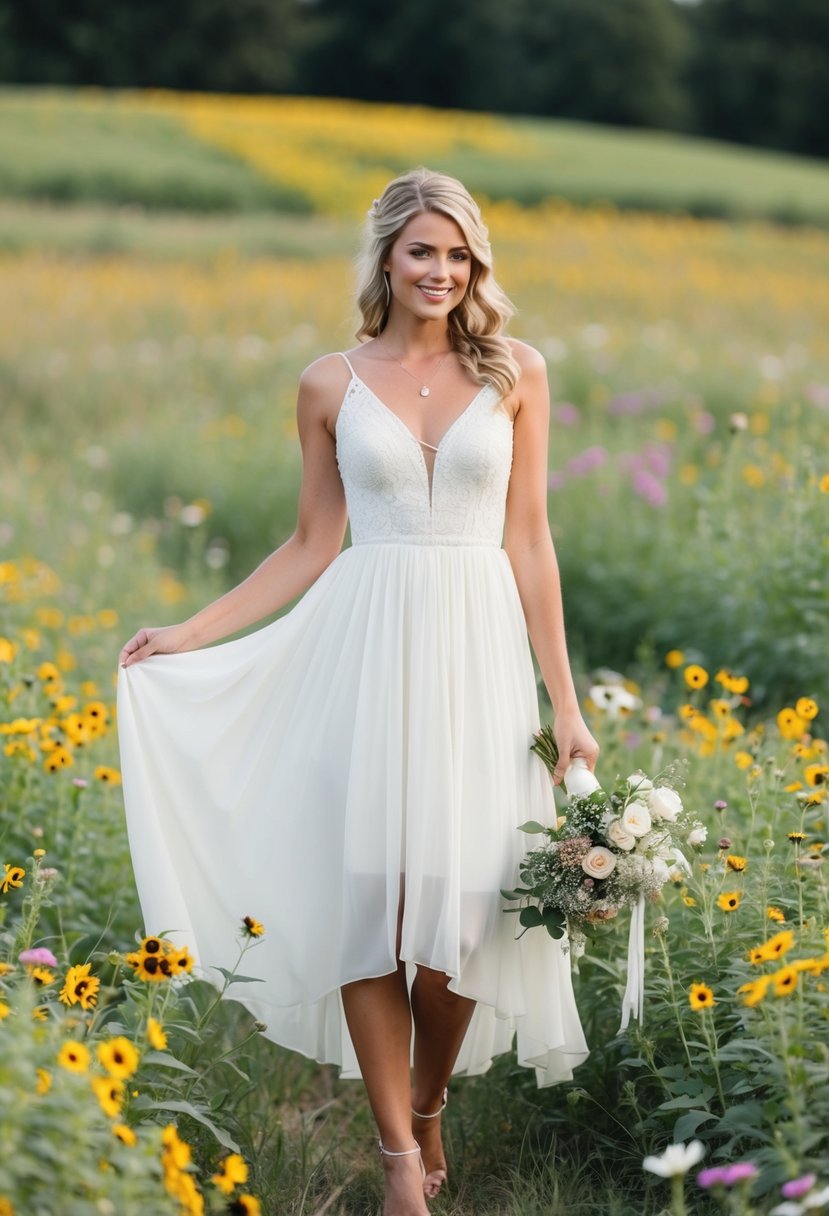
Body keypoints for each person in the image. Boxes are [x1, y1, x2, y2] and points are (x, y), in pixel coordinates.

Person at [117, 166, 598, 1216]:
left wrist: (564, 704)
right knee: (373, 907)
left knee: (473, 909)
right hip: (364, 653)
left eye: (459, 254)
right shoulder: (328, 382)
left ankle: (428, 1100)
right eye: (423, 250)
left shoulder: (517, 369)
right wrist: (192, 631)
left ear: (477, 266)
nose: (441, 270)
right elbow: (308, 545)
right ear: (385, 255)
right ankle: (394, 1158)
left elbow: (530, 540)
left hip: (477, 657)